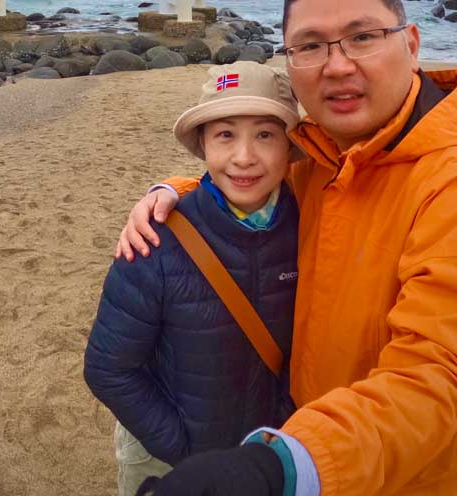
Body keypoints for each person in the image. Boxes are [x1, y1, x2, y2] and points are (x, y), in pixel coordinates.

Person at [117, 0, 457, 496]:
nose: (337, 66)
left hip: (374, 475)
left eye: (363, 36)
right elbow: (249, 176)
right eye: (310, 46)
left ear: (413, 42)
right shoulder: (319, 157)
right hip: (293, 430)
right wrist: (174, 191)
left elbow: (443, 379)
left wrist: (287, 463)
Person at [84, 63, 302, 496]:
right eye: (225, 135)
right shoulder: (154, 240)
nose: (244, 157)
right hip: (166, 454)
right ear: (202, 143)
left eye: (264, 134)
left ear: (290, 145)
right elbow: (108, 368)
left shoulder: (310, 227)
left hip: (262, 454)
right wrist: (183, 446)